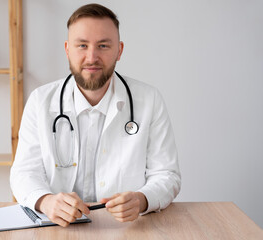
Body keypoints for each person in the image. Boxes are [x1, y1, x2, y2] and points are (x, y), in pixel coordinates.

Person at [10, 3, 181, 227]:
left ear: (119, 50)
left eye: (103, 45)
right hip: (57, 228)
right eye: (82, 45)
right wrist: (46, 201)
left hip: (126, 228)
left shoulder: (149, 100)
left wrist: (141, 200)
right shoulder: (40, 101)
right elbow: (23, 173)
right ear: (67, 49)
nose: (92, 57)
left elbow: (167, 175)